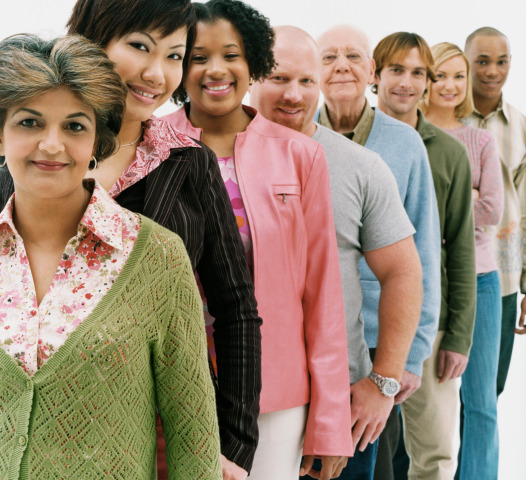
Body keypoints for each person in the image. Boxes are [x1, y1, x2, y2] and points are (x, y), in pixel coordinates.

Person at [0, 33, 221, 479]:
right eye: (29, 123)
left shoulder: (157, 256)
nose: (51, 144)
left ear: (99, 141)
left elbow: (193, 438)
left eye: (75, 126)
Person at [64, 2, 262, 479]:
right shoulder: (32, 154)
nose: (157, 74)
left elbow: (235, 307)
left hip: (165, 428)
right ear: (91, 40)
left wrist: (232, 445)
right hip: (47, 425)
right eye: (139, 47)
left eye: (175, 56)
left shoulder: (190, 164)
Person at [165, 2, 352, 479]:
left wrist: (330, 422)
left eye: (231, 54)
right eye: (196, 56)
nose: (215, 69)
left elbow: (323, 291)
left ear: (254, 66)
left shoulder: (301, 155)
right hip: (168, 386)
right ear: (177, 66)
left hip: (274, 392)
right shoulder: (150, 146)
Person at [249, 25, 423, 480]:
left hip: (343, 399)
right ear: (251, 78)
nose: (294, 94)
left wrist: (383, 382)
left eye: (307, 81)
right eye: (277, 77)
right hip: (245, 396)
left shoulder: (362, 167)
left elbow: (403, 272)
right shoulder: (221, 159)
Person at [316, 24, 441, 480]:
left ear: (370, 70)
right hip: (321, 337)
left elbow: (422, 255)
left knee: (376, 461)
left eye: (352, 56)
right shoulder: (298, 137)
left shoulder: (404, 144)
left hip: (382, 337)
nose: (341, 66)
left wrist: (410, 356)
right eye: (328, 57)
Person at [372, 32, 477, 479]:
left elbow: (459, 249)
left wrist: (457, 336)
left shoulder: (450, 152)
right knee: (373, 452)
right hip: (367, 324)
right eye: (397, 70)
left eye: (419, 73)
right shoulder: (351, 143)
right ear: (375, 76)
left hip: (427, 325)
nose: (407, 82)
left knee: (432, 452)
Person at [421, 41, 503, 480]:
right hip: (422, 279)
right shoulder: (408, 137)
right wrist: (459, 198)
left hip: (481, 280)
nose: (449, 85)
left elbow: (492, 212)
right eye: (439, 76)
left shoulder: (478, 139)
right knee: (418, 401)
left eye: (458, 76)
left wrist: (445, 205)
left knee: (480, 401)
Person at [464, 27, 526, 397]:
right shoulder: (443, 118)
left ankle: (471, 460)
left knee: (487, 392)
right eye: (482, 61)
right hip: (445, 272)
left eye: (501, 62)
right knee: (420, 397)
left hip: (502, 276)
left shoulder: (520, 126)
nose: (492, 71)